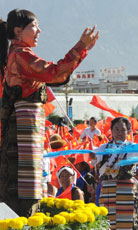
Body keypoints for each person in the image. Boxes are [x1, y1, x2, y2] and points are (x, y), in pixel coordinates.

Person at [0, 9, 98, 216]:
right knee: (24, 190)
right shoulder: (21, 55)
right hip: (23, 132)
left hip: (26, 131)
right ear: (18, 31)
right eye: (34, 26)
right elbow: (53, 72)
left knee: (27, 185)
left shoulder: (18, 54)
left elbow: (55, 74)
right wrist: (80, 47)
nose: (39, 31)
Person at [94, 117, 138, 230]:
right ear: (111, 131)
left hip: (127, 192)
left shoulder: (132, 148)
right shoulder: (103, 148)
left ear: (128, 132)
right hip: (108, 191)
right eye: (116, 129)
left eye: (122, 130)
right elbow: (94, 159)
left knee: (127, 223)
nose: (119, 133)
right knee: (107, 223)